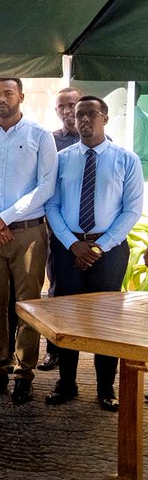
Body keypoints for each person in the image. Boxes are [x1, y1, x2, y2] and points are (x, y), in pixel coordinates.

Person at [44, 96, 142, 412]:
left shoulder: (126, 160)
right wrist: (73, 245)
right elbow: (52, 205)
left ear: (105, 119)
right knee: (67, 316)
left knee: (106, 320)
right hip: (68, 247)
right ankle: (67, 383)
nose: (83, 119)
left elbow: (132, 210)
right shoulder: (62, 159)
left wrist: (100, 246)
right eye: (78, 114)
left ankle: (105, 388)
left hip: (108, 250)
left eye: (90, 114)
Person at [0, 77, 57, 405]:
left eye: (7, 93)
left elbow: (46, 186)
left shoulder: (39, 135)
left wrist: (5, 217)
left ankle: (23, 373)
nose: (0, 99)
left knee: (28, 304)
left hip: (28, 232)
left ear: (21, 95)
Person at [40, 86, 85, 371]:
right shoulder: (50, 142)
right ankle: (53, 349)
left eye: (72, 105)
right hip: (57, 230)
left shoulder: (107, 142)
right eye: (62, 107)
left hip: (91, 233)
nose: (68, 111)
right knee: (57, 291)